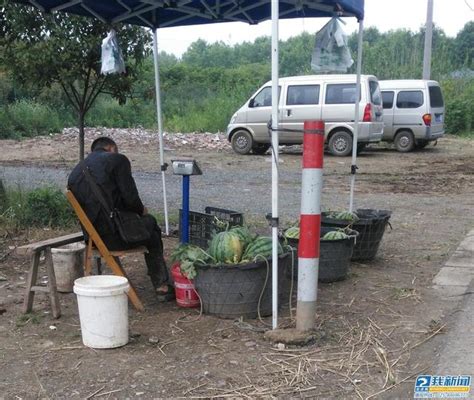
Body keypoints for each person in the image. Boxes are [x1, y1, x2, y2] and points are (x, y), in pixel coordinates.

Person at [68, 137, 174, 301]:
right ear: (111, 148)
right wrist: (142, 211)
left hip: (93, 240)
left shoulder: (74, 173)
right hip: (117, 236)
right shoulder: (117, 160)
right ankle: (162, 286)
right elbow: (131, 200)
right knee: (151, 225)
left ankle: (161, 284)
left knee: (146, 225)